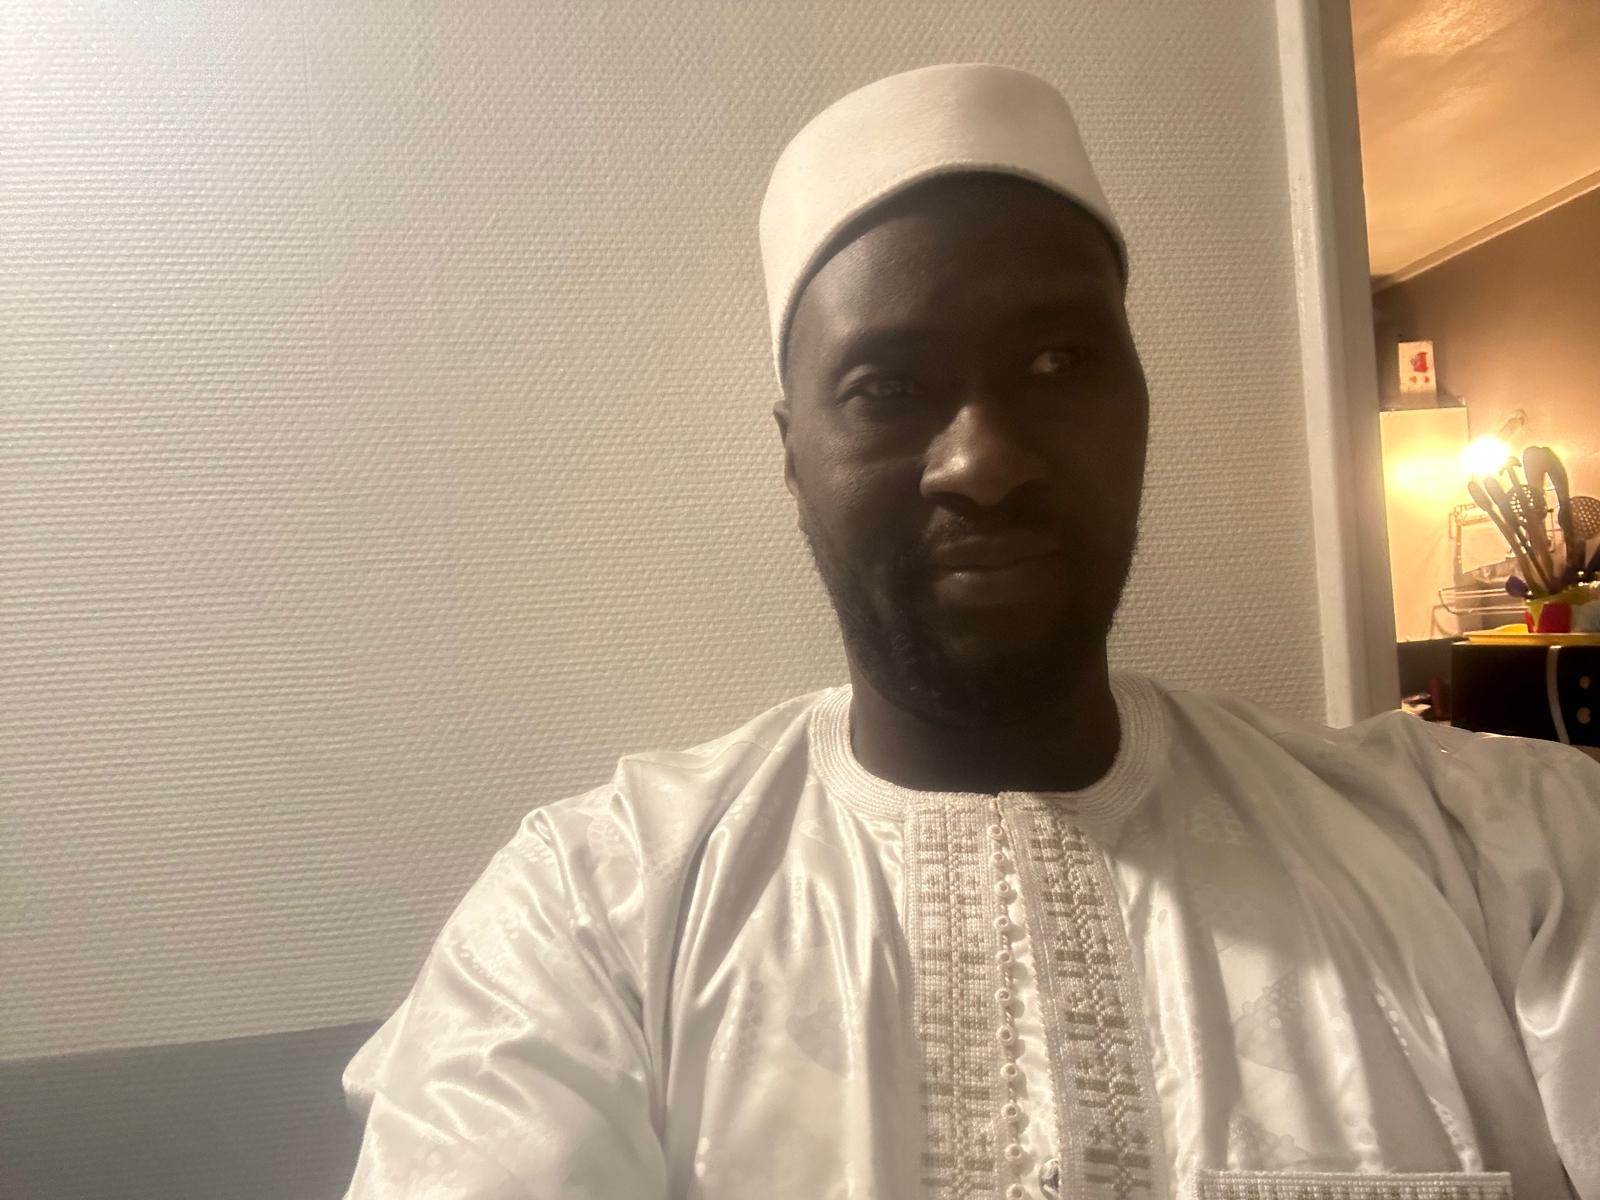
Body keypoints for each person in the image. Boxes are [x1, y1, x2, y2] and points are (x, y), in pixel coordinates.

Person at [341, 64, 1599, 1200]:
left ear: (1139, 404)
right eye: (886, 387)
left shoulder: (1499, 858)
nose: (982, 462)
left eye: (1058, 362)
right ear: (794, 458)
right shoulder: (593, 918)